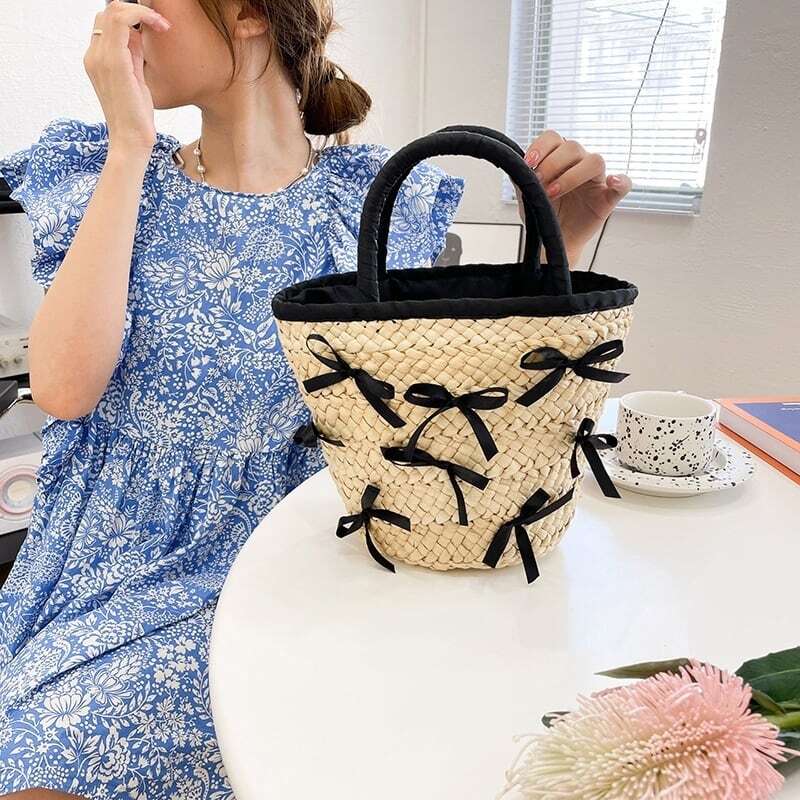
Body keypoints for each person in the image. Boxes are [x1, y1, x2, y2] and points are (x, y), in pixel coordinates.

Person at [0, 1, 631, 798]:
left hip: (297, 558)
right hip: (110, 557)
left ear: (247, 14)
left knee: (57, 754)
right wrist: (128, 146)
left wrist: (559, 248)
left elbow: (448, 409)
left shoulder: (373, 202)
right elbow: (64, 389)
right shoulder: (107, 172)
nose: (114, 18)